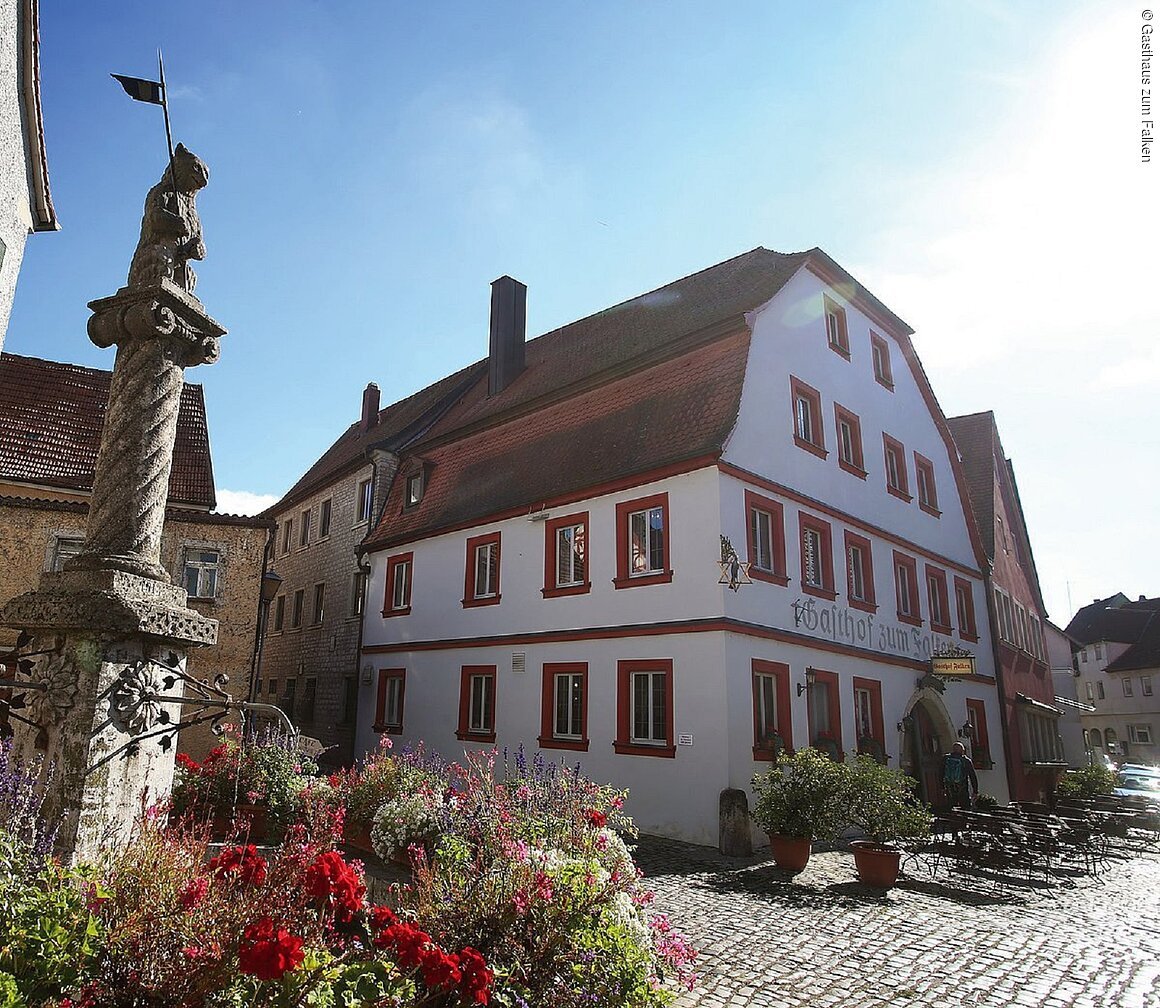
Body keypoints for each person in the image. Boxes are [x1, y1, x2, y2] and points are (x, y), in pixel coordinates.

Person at [942, 741, 978, 809]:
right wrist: (975, 791)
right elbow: (972, 776)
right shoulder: (966, 761)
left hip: (950, 787)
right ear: (962, 750)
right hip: (962, 788)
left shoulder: (945, 759)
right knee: (965, 807)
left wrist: (942, 787)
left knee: (951, 807)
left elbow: (941, 773)